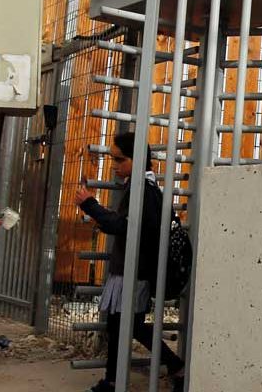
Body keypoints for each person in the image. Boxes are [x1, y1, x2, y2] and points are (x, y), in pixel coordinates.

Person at [74, 132, 184, 392]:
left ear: (137, 160)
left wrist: (90, 204)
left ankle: (175, 366)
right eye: (113, 159)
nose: (114, 165)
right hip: (129, 270)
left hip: (135, 272)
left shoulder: (142, 191)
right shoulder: (140, 188)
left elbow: (126, 226)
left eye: (120, 159)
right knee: (119, 326)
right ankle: (113, 380)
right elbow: (126, 225)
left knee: (130, 326)